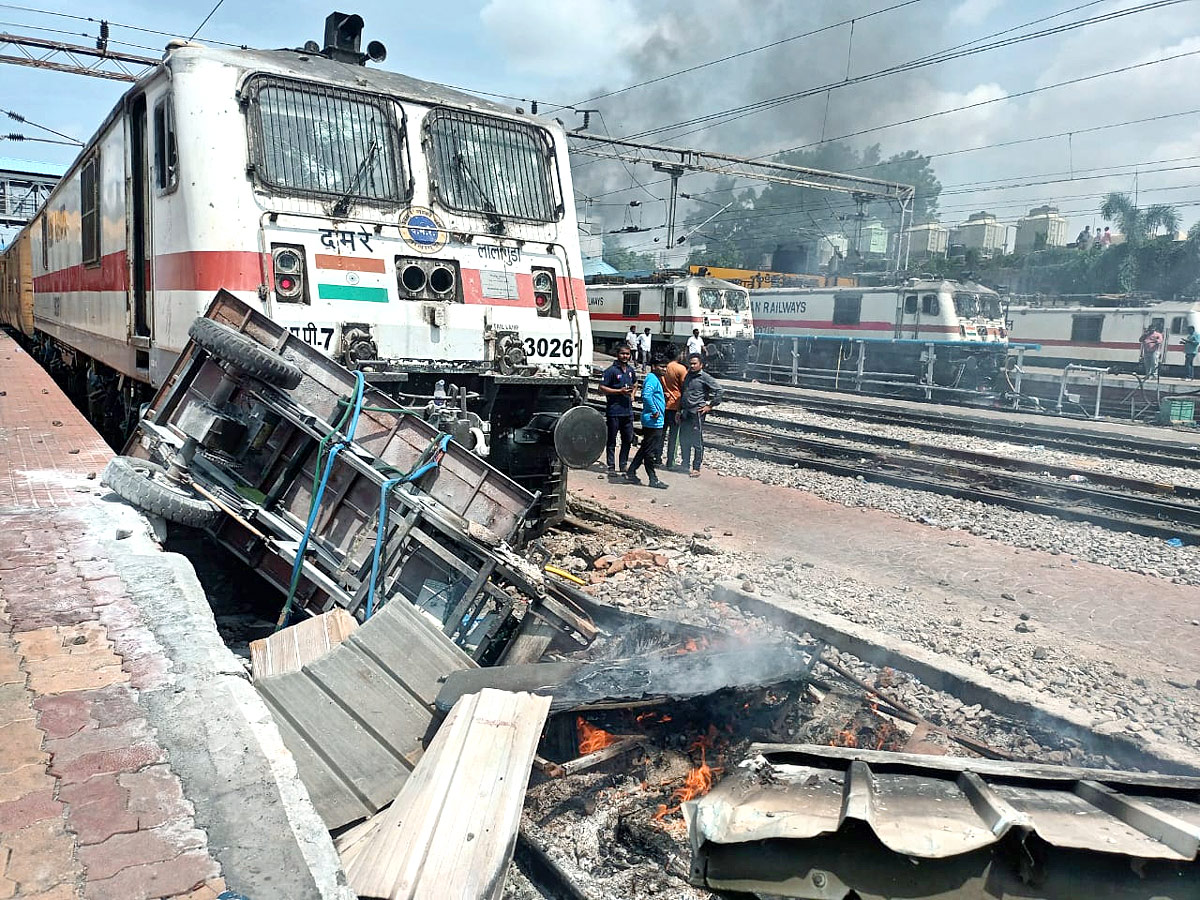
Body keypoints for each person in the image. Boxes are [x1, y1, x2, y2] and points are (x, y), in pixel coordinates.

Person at [626, 354, 669, 489]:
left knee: (645, 447)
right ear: (654, 367)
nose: (665, 370)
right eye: (662, 367)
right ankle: (653, 479)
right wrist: (655, 410)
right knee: (650, 452)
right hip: (653, 420)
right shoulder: (652, 379)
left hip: (653, 420)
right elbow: (646, 395)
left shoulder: (655, 378)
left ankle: (631, 472)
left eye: (666, 367)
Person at [679, 353, 723, 477]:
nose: (692, 366)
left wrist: (710, 406)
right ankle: (685, 463)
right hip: (685, 412)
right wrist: (679, 410)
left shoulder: (705, 377)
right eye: (690, 363)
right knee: (684, 439)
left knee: (696, 441)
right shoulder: (688, 376)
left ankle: (696, 467)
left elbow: (719, 390)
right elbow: (684, 394)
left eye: (694, 363)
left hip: (697, 413)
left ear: (701, 365)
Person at [600, 344, 636, 474]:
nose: (625, 356)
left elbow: (635, 383)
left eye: (627, 354)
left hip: (627, 411)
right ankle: (611, 466)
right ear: (617, 354)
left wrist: (632, 394)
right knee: (612, 439)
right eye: (623, 354)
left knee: (628, 439)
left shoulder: (631, 370)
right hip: (614, 411)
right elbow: (602, 388)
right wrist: (618, 391)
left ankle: (623, 464)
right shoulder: (611, 371)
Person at [660, 346, 688, 468]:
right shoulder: (680, 369)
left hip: (663, 404)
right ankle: (670, 461)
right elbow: (685, 387)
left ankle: (657, 458)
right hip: (675, 405)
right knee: (673, 436)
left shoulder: (662, 367)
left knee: (660, 433)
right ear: (678, 354)